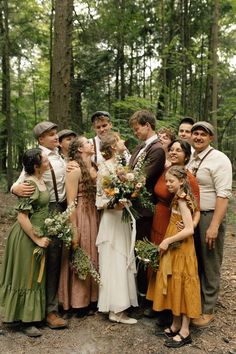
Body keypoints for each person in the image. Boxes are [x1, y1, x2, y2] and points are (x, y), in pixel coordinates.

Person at [11, 121, 68, 329]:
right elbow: (22, 180)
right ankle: (47, 312)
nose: (55, 137)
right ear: (40, 139)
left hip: (61, 208)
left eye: (55, 133)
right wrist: (14, 188)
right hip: (45, 208)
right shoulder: (38, 157)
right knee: (43, 259)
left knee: (55, 260)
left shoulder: (60, 155)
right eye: (50, 135)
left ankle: (49, 306)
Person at [145, 139, 200, 320]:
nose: (174, 152)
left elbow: (196, 208)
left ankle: (171, 311)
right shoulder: (165, 170)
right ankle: (159, 303)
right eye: (172, 149)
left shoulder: (187, 177)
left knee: (174, 268)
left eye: (179, 150)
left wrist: (188, 225)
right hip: (160, 219)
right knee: (160, 263)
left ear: (186, 155)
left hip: (176, 226)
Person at [0, 148, 50, 337]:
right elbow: (22, 217)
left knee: (34, 274)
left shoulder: (39, 179)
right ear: (36, 166)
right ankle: (24, 320)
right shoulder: (29, 184)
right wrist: (36, 238)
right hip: (26, 236)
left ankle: (32, 316)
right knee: (26, 275)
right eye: (44, 160)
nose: (48, 161)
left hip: (38, 231)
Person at [188, 121, 232, 327]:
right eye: (195, 133)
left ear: (211, 138)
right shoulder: (191, 157)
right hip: (192, 216)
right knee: (195, 259)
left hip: (209, 215)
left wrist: (214, 226)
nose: (198, 137)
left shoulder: (219, 159)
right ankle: (195, 302)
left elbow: (223, 195)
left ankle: (208, 308)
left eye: (202, 134)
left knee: (210, 260)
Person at [96, 132, 138, 324]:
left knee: (123, 260)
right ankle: (116, 310)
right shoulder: (104, 169)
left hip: (122, 219)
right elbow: (100, 200)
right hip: (112, 219)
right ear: (113, 146)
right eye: (120, 139)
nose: (123, 141)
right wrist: (116, 203)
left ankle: (120, 306)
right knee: (115, 260)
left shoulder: (121, 167)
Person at [129, 110, 165, 312]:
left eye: (137, 129)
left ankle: (146, 298)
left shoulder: (157, 149)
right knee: (135, 252)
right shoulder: (140, 147)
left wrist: (126, 182)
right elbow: (130, 170)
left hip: (145, 209)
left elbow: (143, 178)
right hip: (134, 207)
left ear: (147, 126)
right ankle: (138, 292)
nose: (135, 133)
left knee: (143, 253)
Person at [59, 136, 99, 316]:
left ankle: (92, 299)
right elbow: (70, 202)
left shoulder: (95, 166)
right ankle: (77, 301)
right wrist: (74, 228)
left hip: (94, 214)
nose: (92, 144)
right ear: (80, 149)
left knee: (92, 252)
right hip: (81, 213)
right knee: (80, 251)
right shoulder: (74, 169)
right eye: (88, 143)